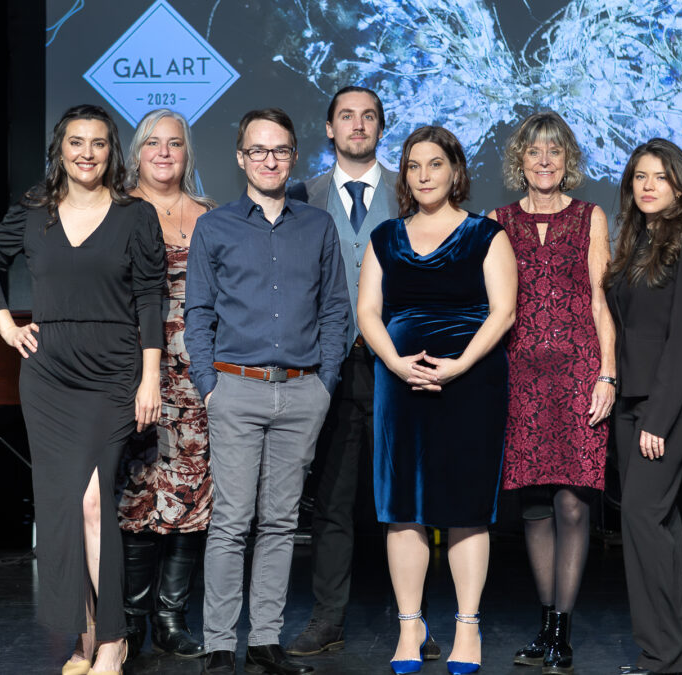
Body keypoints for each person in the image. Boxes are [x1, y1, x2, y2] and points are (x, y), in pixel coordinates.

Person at [0, 104, 165, 675]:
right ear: (60, 149)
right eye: (76, 142)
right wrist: (6, 324)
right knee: (63, 508)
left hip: (112, 371)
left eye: (99, 143)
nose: (87, 153)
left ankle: (113, 640)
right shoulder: (34, 213)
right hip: (49, 374)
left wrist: (150, 375)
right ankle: (83, 639)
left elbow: (151, 299)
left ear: (112, 152)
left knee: (92, 500)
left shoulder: (135, 216)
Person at [184, 108, 349, 675]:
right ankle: (218, 644)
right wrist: (209, 386)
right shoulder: (216, 226)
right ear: (240, 158)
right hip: (235, 389)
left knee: (280, 523)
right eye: (258, 150)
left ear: (294, 155)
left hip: (302, 392)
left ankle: (265, 640)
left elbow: (334, 311)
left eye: (279, 150)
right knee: (230, 523)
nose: (269, 160)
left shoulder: (317, 226)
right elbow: (198, 313)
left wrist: (325, 384)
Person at [285, 85, 442, 659]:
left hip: (399, 364)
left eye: (368, 117)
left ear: (381, 128)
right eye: (346, 117)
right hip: (328, 368)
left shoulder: (412, 195)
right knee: (331, 498)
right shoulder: (302, 196)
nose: (357, 125)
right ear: (329, 129)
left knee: (408, 497)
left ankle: (416, 622)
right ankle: (328, 619)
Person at [357, 125, 517, 675]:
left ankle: (466, 627)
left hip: (471, 385)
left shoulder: (486, 236)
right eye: (413, 166)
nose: (424, 175)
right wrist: (397, 364)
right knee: (402, 509)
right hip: (400, 387)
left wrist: (459, 366)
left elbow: (504, 313)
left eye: (435, 164)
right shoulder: (385, 237)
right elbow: (367, 314)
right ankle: (410, 625)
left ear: (455, 171)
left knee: (466, 509)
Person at [486, 111, 615, 675]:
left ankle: (563, 630)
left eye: (554, 153)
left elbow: (599, 301)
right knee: (535, 506)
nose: (544, 161)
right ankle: (545, 627)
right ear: (521, 160)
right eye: (534, 152)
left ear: (568, 162)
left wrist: (607, 373)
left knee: (572, 502)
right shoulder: (497, 220)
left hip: (579, 373)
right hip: (519, 378)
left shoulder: (590, 217)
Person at [604, 138, 682, 675]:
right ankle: (669, 655)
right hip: (631, 401)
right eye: (639, 177)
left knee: (643, 521)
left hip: (669, 405)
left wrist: (658, 418)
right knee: (656, 525)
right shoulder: (633, 241)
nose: (647, 186)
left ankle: (663, 653)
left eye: (659, 177)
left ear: (679, 185)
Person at [116, 109, 217, 661]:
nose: (163, 152)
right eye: (152, 142)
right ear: (136, 152)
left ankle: (172, 620)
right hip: (136, 371)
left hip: (200, 372)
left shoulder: (213, 215)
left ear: (187, 153)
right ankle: (132, 620)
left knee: (191, 493)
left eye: (174, 143)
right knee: (137, 493)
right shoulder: (116, 212)